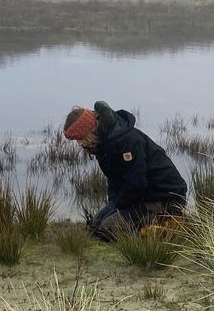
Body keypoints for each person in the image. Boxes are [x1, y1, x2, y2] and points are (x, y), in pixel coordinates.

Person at [63, 101, 187, 241]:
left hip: (165, 197)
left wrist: (118, 206)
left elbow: (136, 183)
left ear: (92, 128)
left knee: (107, 230)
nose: (80, 143)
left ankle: (172, 224)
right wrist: (113, 203)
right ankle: (153, 223)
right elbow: (114, 179)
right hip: (143, 196)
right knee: (95, 227)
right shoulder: (102, 143)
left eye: (81, 138)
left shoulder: (126, 141)